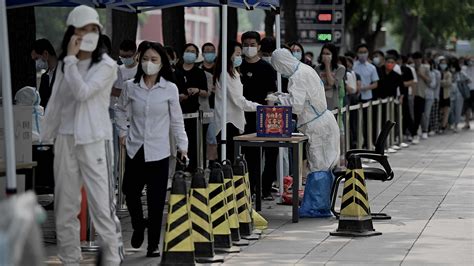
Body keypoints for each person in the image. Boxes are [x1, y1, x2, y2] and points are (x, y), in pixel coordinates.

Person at [41, 5, 123, 265]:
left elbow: (83, 93)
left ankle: (111, 259)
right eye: (83, 29)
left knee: (102, 208)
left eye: (93, 29)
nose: (88, 34)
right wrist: (46, 137)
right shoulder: (67, 65)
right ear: (72, 32)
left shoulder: (107, 66)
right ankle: (69, 259)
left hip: (95, 140)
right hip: (66, 139)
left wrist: (70, 61)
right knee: (65, 209)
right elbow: (56, 102)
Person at [115, 41, 188, 257]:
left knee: (156, 201)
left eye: (154, 59)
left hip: (159, 150)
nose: (149, 63)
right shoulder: (130, 86)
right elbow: (119, 110)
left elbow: (177, 121)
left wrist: (183, 146)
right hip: (135, 148)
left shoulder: (169, 88)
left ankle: (153, 244)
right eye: (145, 59)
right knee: (130, 192)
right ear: (139, 60)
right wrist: (122, 132)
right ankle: (138, 224)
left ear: (162, 62)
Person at [268, 49, 340, 216]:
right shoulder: (306, 70)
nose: (280, 72)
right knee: (320, 165)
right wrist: (285, 95)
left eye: (278, 68)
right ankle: (317, 205)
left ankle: (317, 208)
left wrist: (279, 99)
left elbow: (297, 106)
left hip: (318, 127)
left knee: (319, 166)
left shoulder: (297, 77)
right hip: (321, 122)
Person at [240, 31, 278, 200]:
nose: (249, 48)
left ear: (259, 46)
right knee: (249, 155)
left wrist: (269, 115)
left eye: (252, 45)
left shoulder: (267, 68)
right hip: (242, 115)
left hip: (262, 115)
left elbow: (271, 93)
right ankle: (250, 188)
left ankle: (264, 187)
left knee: (266, 154)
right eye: (246, 44)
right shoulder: (237, 67)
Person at [214, 40, 260, 160]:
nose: (240, 58)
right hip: (228, 122)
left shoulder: (234, 73)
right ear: (228, 55)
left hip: (233, 121)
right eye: (237, 54)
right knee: (228, 160)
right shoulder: (226, 74)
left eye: (240, 55)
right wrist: (259, 107)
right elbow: (238, 100)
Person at [177, 43, 209, 172]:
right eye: (187, 51)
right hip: (177, 110)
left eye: (192, 52)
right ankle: (179, 166)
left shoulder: (199, 72)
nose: (189, 53)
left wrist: (197, 90)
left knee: (193, 140)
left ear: (196, 56)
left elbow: (206, 92)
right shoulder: (176, 70)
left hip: (193, 112)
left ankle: (194, 167)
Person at [353, 43, 379, 148]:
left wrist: (363, 88)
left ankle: (368, 142)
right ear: (357, 53)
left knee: (368, 121)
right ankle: (356, 142)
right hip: (355, 96)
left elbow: (375, 84)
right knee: (356, 122)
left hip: (367, 97)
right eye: (360, 52)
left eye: (364, 52)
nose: (363, 54)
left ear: (368, 53)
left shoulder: (372, 67)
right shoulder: (354, 66)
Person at [315, 43, 345, 111]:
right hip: (320, 102)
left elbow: (331, 83)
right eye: (323, 53)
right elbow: (316, 86)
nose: (325, 56)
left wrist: (327, 66)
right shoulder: (317, 68)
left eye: (328, 54)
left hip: (333, 103)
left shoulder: (340, 69)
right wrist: (326, 87)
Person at [31, 38, 58, 108]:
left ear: (45, 54)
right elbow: (42, 103)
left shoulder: (64, 73)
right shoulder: (44, 77)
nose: (36, 63)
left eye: (36, 59)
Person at [411, 52, 431, 141]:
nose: (417, 61)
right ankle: (413, 132)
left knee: (420, 113)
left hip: (421, 93)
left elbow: (429, 80)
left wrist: (420, 74)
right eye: (415, 59)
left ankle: (421, 131)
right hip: (412, 94)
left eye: (418, 59)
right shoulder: (410, 67)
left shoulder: (426, 68)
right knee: (413, 113)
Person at [438, 57, 452, 133]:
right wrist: (443, 82)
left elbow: (448, 83)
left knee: (446, 111)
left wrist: (440, 82)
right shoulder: (437, 72)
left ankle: (443, 126)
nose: (443, 65)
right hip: (438, 94)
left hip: (446, 94)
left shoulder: (448, 73)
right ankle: (440, 125)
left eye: (444, 63)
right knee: (440, 111)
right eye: (442, 63)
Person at [463, 56, 474, 129]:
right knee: (467, 107)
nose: (471, 62)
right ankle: (467, 123)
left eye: (472, 61)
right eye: (469, 61)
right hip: (467, 90)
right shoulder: (464, 69)